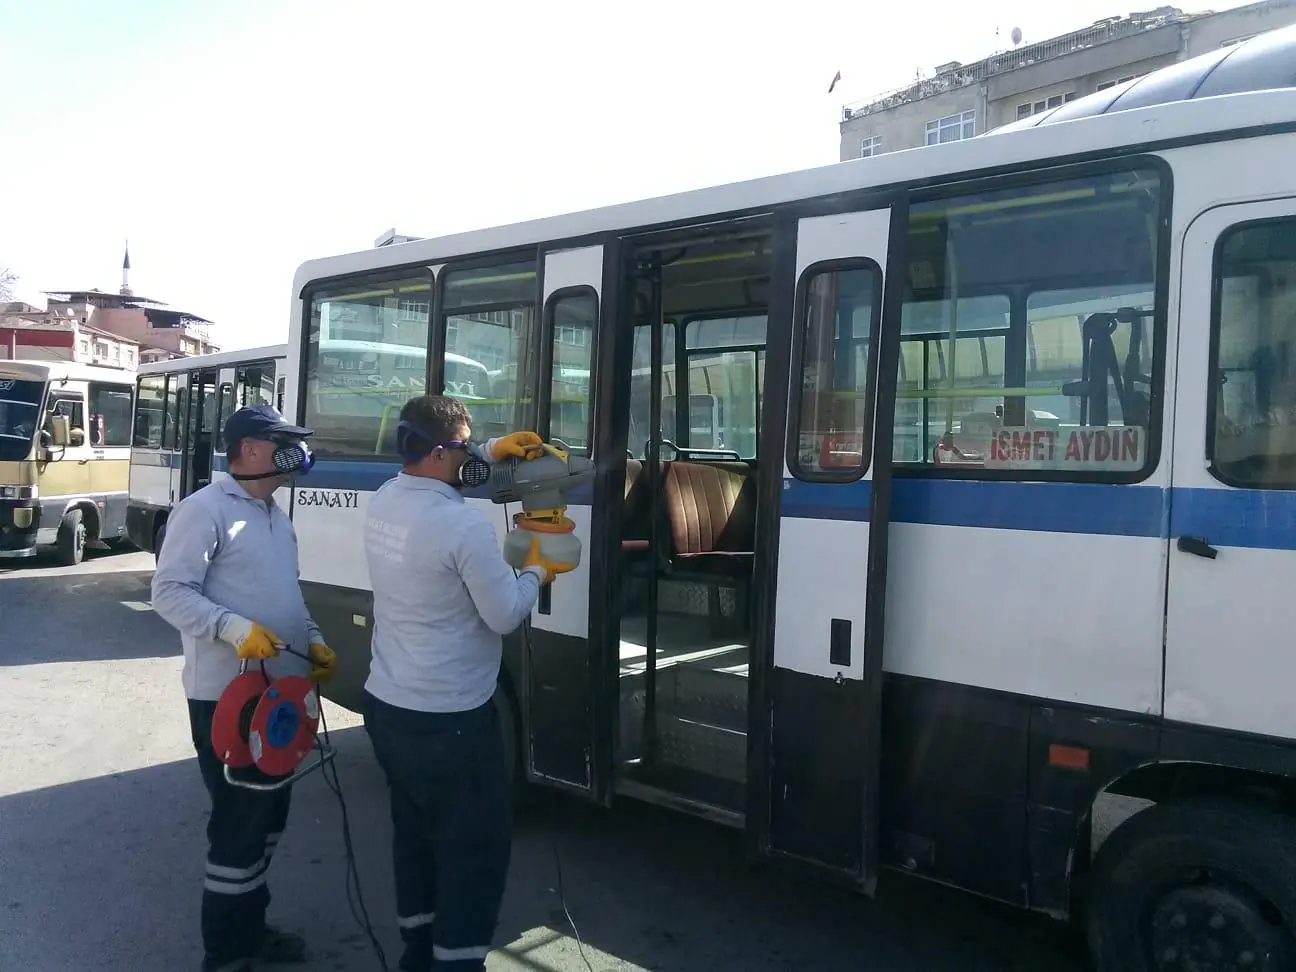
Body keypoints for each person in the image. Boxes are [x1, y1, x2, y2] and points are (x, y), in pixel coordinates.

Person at [361, 394, 574, 972]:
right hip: (451, 721)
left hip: (388, 707)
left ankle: (418, 957)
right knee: (471, 854)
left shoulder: (384, 501)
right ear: (436, 454)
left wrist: (486, 450)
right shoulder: (461, 526)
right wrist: (537, 566)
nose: (470, 461)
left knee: (416, 842)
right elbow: (504, 614)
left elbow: (436, 462)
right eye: (463, 448)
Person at [151, 403, 338, 972]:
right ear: (250, 449)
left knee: (267, 822)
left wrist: (312, 638)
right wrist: (232, 628)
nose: (295, 454)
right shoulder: (205, 509)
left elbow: (285, 594)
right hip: (226, 699)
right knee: (238, 826)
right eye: (283, 441)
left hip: (278, 697)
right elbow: (170, 593)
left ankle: (251, 932)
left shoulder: (276, 516)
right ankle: (226, 954)